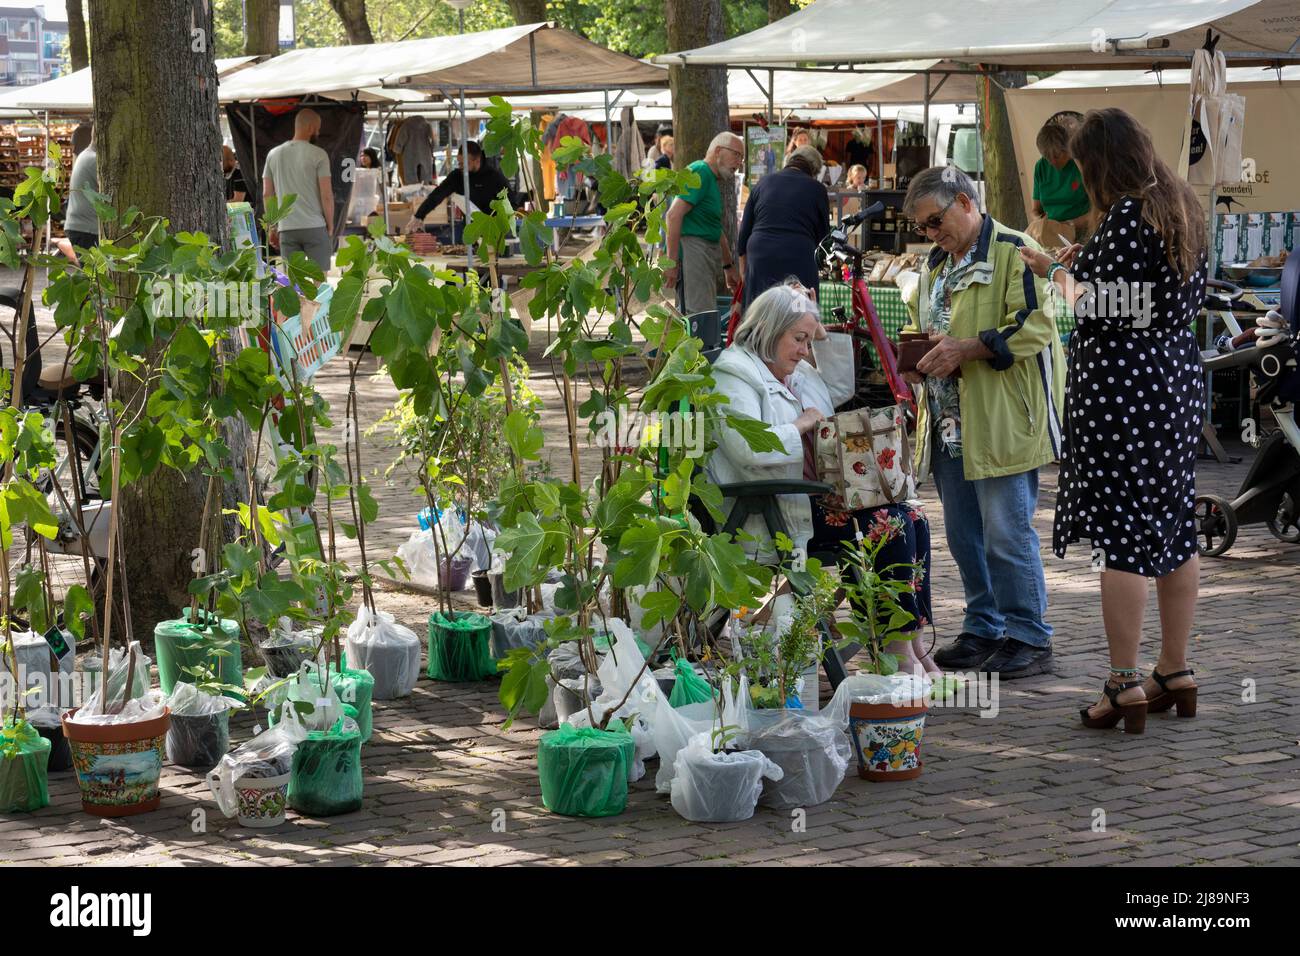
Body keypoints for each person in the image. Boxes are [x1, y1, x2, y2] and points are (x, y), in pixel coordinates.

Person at [1018, 108, 1206, 732]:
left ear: (1100, 164)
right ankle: (1173, 669)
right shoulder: (1179, 206)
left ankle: (1123, 682)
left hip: (1123, 392)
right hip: (1173, 383)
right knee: (1176, 528)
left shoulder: (1127, 215)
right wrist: (1086, 260)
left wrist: (1055, 272)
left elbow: (1103, 307)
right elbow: (1150, 295)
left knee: (1122, 536)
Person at [709, 281, 937, 674]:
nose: (803, 349)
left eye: (806, 340)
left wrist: (818, 328)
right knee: (889, 524)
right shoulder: (734, 375)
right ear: (767, 330)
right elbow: (749, 451)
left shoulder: (795, 372)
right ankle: (896, 651)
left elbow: (839, 386)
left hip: (812, 498)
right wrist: (800, 424)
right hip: (772, 507)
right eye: (797, 339)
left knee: (911, 516)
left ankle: (911, 642)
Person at [900, 166, 1066, 679]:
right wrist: (913, 356)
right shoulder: (936, 262)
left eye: (935, 221)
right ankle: (983, 625)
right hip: (948, 420)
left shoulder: (1017, 250)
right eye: (923, 227)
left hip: (1002, 417)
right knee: (964, 533)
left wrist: (968, 349)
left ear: (966, 203)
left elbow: (1041, 323)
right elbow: (929, 325)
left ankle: (1028, 634)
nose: (930, 234)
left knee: (1006, 533)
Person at [737, 146, 830, 312]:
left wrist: (744, 270)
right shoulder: (816, 188)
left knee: (759, 312)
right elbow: (823, 238)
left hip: (760, 256)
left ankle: (758, 337)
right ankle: (798, 336)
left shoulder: (763, 182)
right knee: (798, 311)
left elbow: (744, 231)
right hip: (798, 256)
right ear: (814, 170)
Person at [662, 132, 744, 315]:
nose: (739, 163)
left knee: (702, 319)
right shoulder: (700, 171)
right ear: (718, 151)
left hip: (703, 257)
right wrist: (671, 263)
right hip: (693, 255)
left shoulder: (710, 178)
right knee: (699, 320)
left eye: (742, 158)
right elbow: (673, 216)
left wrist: (728, 266)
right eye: (736, 155)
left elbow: (715, 228)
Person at [262, 108, 335, 271]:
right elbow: (327, 195)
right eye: (317, 128)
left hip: (287, 228)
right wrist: (329, 225)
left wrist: (272, 226)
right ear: (310, 128)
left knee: (293, 282)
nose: (318, 132)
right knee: (320, 283)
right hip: (315, 225)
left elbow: (267, 194)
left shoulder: (273, 154)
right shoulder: (319, 154)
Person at [405, 141, 523, 237]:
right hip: (470, 227)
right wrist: (419, 216)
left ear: (477, 161)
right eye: (459, 163)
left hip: (494, 228)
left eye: (463, 164)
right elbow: (437, 195)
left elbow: (511, 202)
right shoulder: (457, 176)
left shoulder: (494, 177)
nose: (460, 166)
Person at [1028, 120, 1092, 248]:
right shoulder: (1041, 166)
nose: (1052, 161)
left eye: (1056, 156)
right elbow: (1036, 210)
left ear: (1068, 148)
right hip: (1052, 231)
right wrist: (1039, 223)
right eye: (1047, 157)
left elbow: (1098, 210)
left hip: (1083, 230)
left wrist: (1071, 224)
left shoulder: (1081, 165)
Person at [63, 123, 99, 251]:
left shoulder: (86, 155)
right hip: (87, 229)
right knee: (96, 271)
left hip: (83, 227)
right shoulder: (94, 160)